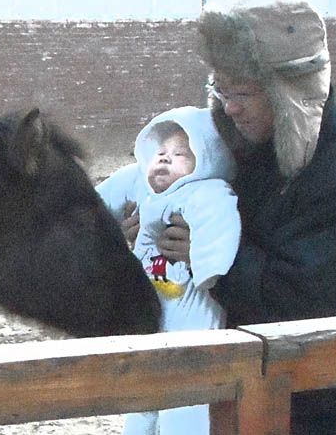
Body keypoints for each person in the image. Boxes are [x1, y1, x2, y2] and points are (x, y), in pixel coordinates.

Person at [123, 0, 336, 435]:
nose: (230, 107)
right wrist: (158, 218)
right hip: (242, 400)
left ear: (290, 92)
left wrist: (215, 255)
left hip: (306, 415)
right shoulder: (257, 157)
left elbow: (311, 314)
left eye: (244, 92)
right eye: (220, 89)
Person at [97, 105, 241, 435]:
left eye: (179, 154)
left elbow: (219, 224)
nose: (164, 158)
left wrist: (207, 264)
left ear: (205, 160)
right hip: (148, 312)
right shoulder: (139, 183)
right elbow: (99, 202)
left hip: (191, 313)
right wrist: (109, 228)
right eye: (160, 152)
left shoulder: (206, 191)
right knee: (142, 398)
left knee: (185, 401)